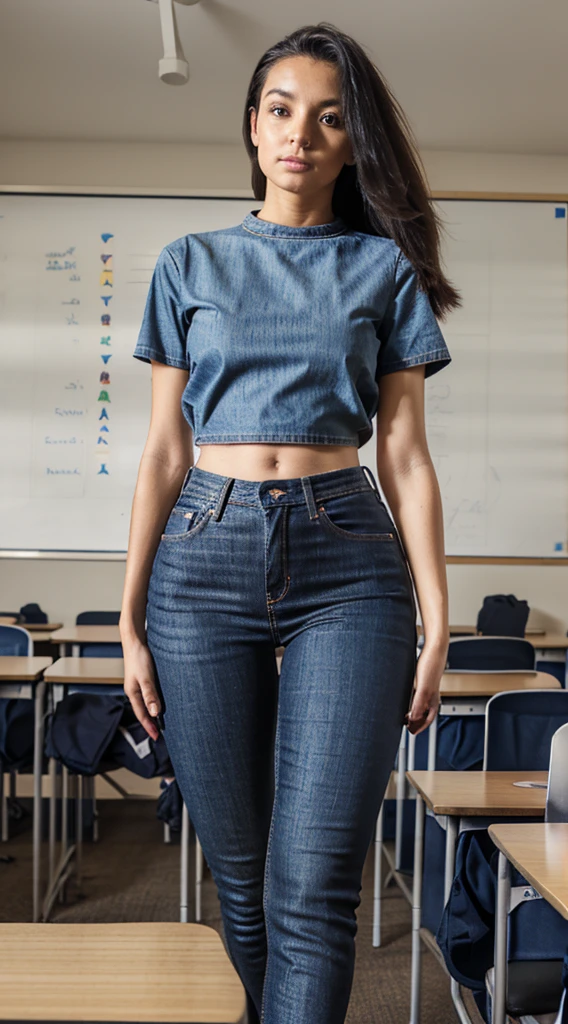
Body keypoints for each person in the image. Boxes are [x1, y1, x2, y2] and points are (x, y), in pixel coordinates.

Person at [120, 21, 461, 1024]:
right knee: (242, 885)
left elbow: (404, 454)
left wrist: (436, 621)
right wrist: (129, 615)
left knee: (312, 890)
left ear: (353, 142)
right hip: (200, 556)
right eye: (280, 110)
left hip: (347, 563)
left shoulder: (381, 270)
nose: (299, 135)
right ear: (252, 124)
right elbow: (163, 453)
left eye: (327, 118)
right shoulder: (189, 263)